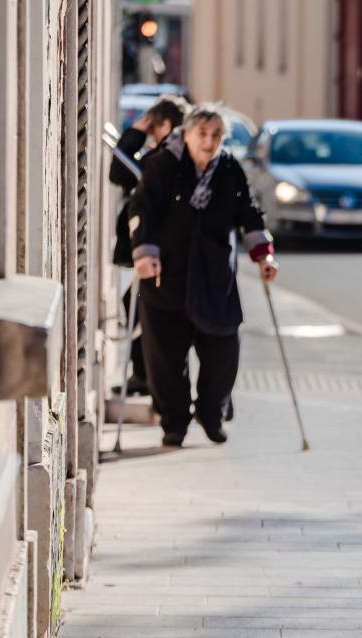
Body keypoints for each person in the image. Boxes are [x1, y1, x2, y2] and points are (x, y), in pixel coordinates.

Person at [128, 103, 278, 447]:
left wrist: (263, 254)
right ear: (187, 133)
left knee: (224, 349)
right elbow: (142, 208)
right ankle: (174, 422)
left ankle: (211, 413)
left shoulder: (228, 168)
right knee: (165, 357)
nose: (209, 142)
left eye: (216, 135)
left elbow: (250, 212)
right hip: (167, 275)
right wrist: (145, 253)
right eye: (202, 134)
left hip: (214, 278)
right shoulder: (165, 164)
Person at [109, 95, 191, 396]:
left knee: (140, 304)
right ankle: (148, 375)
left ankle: (146, 376)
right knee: (139, 302)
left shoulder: (164, 157)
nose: (150, 135)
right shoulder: (177, 154)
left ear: (165, 125)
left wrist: (135, 132)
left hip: (159, 251)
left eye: (153, 128)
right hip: (168, 248)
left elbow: (117, 173)